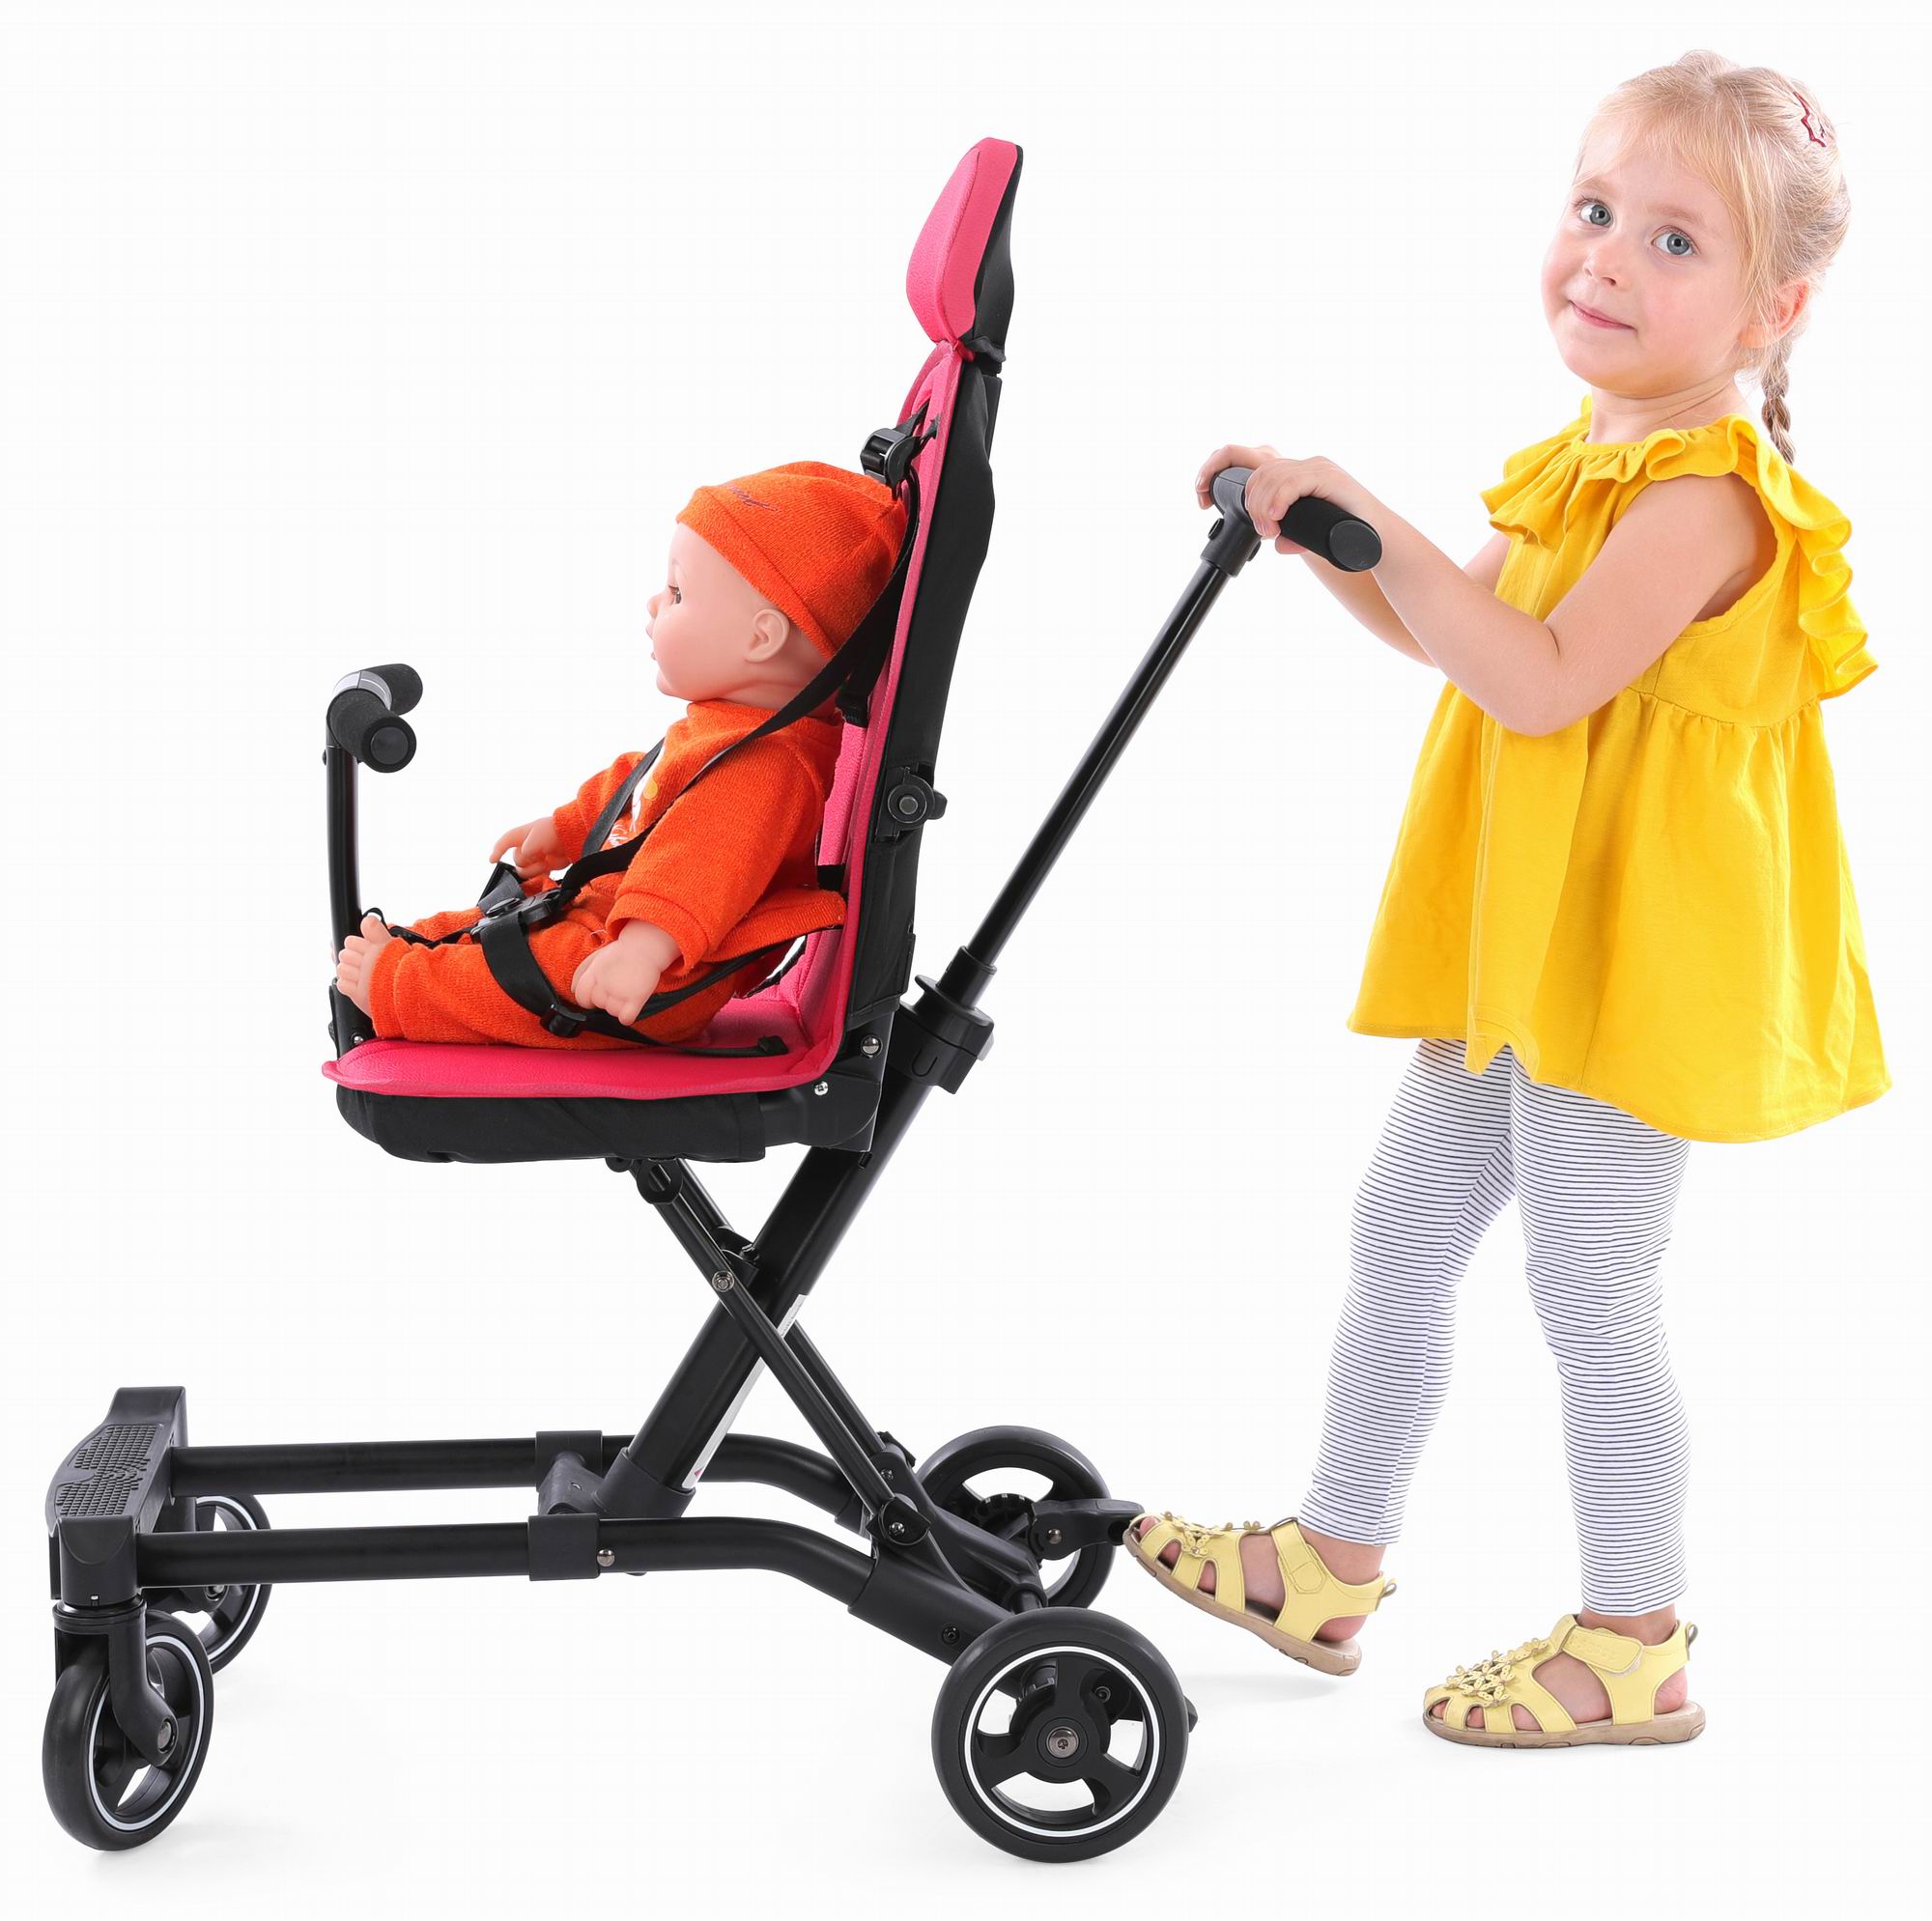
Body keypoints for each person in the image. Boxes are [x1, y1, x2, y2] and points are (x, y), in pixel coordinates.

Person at [1125, 51, 1888, 1749]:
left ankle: (1633, 1634)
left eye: (1675, 241)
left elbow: (1539, 684)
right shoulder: (1584, 462)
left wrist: (1375, 516)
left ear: (1775, 309)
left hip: (1628, 959)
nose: (1606, 257)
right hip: (1528, 943)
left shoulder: (1704, 498)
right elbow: (1453, 638)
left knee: (1589, 1274)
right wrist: (1327, 535)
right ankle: (1331, 1553)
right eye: (1595, 208)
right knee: (1403, 1226)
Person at [334, 462, 904, 1047]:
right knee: (519, 916)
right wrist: (565, 828)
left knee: (552, 968)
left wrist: (643, 948)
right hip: (618, 925)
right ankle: (418, 949)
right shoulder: (726, 729)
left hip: (659, 975)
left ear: (761, 638)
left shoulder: (766, 766)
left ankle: (401, 985)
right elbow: (644, 785)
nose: (654, 604)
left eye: (678, 593)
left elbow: (704, 863)